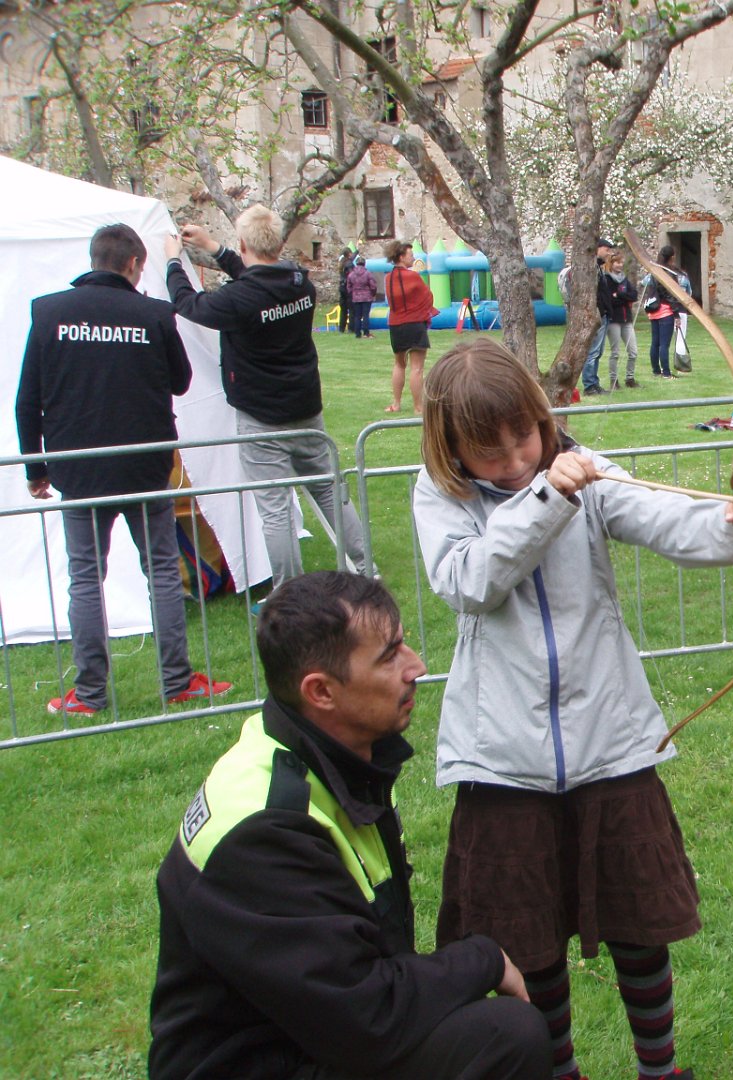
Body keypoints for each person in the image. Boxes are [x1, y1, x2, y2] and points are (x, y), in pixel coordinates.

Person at [412, 341, 733, 1080]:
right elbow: (470, 582)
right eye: (488, 450)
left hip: (609, 741)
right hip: (502, 761)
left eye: (524, 434)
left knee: (639, 925)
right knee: (531, 938)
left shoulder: (584, 469)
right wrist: (548, 496)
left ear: (540, 417)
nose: (514, 458)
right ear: (451, 448)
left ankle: (660, 1069)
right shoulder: (443, 498)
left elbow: (661, 517)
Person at [148, 571, 549, 1080]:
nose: (417, 667)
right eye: (390, 655)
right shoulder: (266, 829)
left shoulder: (323, 755)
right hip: (261, 1061)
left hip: (308, 1033)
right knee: (506, 1038)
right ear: (321, 692)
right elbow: (369, 1018)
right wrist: (483, 959)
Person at [16, 223, 232, 717]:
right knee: (159, 570)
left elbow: (28, 398)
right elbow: (180, 382)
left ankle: (90, 694)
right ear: (136, 264)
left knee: (86, 577)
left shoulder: (49, 311)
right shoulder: (153, 313)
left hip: (79, 468)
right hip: (143, 466)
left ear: (95, 260)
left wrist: (36, 466)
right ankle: (176, 681)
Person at [166, 208, 371, 590]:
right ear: (279, 244)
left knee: (274, 506)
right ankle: (365, 565)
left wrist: (172, 262)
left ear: (244, 245)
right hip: (305, 405)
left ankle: (288, 589)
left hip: (262, 415)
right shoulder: (300, 283)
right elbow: (257, 278)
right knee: (328, 489)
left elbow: (189, 305)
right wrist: (214, 248)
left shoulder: (239, 298)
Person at [383, 240, 436, 413]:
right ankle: (418, 407)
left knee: (399, 364)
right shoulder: (413, 276)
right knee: (417, 368)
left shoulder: (388, 278)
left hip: (396, 324)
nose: (413, 257)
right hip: (414, 323)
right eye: (410, 254)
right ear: (401, 256)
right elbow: (427, 296)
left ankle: (396, 404)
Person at [641, 245, 689, 380]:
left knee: (655, 342)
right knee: (664, 344)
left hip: (654, 311)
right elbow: (671, 296)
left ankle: (656, 371)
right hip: (665, 311)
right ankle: (666, 373)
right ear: (672, 257)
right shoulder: (669, 273)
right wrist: (676, 314)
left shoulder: (654, 271)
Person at [578, 238, 614, 397]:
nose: (609, 253)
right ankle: (589, 385)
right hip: (596, 315)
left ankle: (594, 382)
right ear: (598, 249)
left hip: (603, 314)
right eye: (607, 249)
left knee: (597, 352)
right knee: (592, 352)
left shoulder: (599, 269)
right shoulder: (590, 269)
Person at [598, 251, 640, 389]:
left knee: (633, 351)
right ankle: (614, 381)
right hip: (614, 319)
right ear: (611, 263)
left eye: (622, 263)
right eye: (617, 262)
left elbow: (634, 295)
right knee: (615, 352)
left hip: (626, 319)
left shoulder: (624, 279)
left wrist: (621, 295)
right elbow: (610, 300)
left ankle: (630, 378)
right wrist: (622, 297)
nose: (620, 265)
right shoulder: (606, 279)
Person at [347, 255, 378, 339]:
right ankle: (366, 333)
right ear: (364, 264)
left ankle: (357, 333)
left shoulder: (351, 274)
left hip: (356, 297)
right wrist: (373, 293)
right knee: (365, 315)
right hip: (367, 297)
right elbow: (373, 286)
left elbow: (348, 286)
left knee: (357, 316)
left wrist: (352, 294)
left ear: (356, 264)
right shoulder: (368, 274)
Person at [338, 248, 354, 334]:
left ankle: (341, 328)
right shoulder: (349, 264)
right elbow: (351, 276)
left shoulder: (342, 263)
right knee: (351, 309)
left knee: (343, 310)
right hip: (348, 288)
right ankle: (351, 328)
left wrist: (357, 250)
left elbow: (352, 258)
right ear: (349, 254)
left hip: (342, 287)